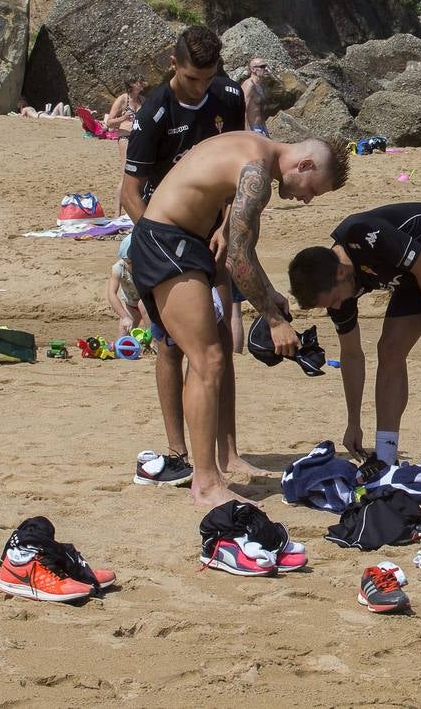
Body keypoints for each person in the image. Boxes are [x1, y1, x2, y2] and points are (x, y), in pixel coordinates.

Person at [129, 131, 347, 506]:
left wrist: (268, 293)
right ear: (305, 165)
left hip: (184, 243)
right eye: (314, 189)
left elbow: (241, 251)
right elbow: (237, 258)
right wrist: (275, 321)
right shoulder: (256, 173)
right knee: (208, 360)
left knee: (213, 357)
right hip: (166, 242)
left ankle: (211, 472)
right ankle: (205, 483)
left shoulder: (255, 149)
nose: (308, 199)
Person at [120, 26, 248, 487]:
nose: (201, 88)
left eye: (208, 79)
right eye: (193, 78)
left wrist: (230, 227)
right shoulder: (154, 112)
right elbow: (130, 191)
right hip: (165, 238)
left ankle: (228, 452)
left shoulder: (229, 95)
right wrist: (156, 244)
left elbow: (242, 164)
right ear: (173, 64)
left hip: (213, 234)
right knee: (173, 345)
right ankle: (178, 452)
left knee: (219, 344)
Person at [288, 202, 421, 469]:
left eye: (335, 299)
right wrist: (354, 422)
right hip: (414, 276)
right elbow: (351, 355)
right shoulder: (336, 290)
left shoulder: (363, 234)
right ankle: (385, 456)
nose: (337, 307)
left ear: (340, 273)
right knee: (389, 351)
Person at [104, 79, 145, 216]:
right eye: (139, 82)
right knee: (125, 174)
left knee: (138, 174)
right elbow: (109, 122)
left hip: (139, 139)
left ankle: (132, 209)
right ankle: (117, 213)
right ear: (132, 84)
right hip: (125, 137)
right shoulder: (123, 99)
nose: (142, 84)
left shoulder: (143, 100)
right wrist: (123, 118)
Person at [107, 236, 144, 337]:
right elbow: (111, 294)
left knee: (142, 305)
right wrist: (124, 317)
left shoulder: (147, 268)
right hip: (131, 305)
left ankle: (153, 342)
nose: (132, 265)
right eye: (128, 262)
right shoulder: (118, 268)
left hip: (148, 306)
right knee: (123, 337)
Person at [242, 58, 270, 136]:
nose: (266, 69)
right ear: (253, 69)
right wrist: (248, 133)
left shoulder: (261, 85)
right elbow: (242, 110)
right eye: (262, 66)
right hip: (252, 129)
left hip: (262, 128)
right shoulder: (249, 85)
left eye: (266, 66)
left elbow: (261, 111)